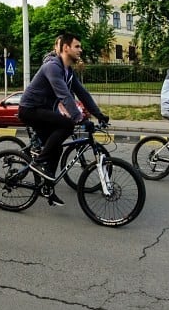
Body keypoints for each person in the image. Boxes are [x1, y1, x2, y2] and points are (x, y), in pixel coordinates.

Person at [17, 33, 109, 207]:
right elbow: (64, 95)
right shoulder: (52, 67)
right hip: (30, 109)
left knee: (57, 148)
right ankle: (38, 162)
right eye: (77, 46)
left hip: (42, 110)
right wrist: (80, 119)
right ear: (66, 48)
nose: (80, 50)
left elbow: (83, 94)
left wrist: (99, 114)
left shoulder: (68, 71)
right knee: (67, 124)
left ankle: (47, 188)